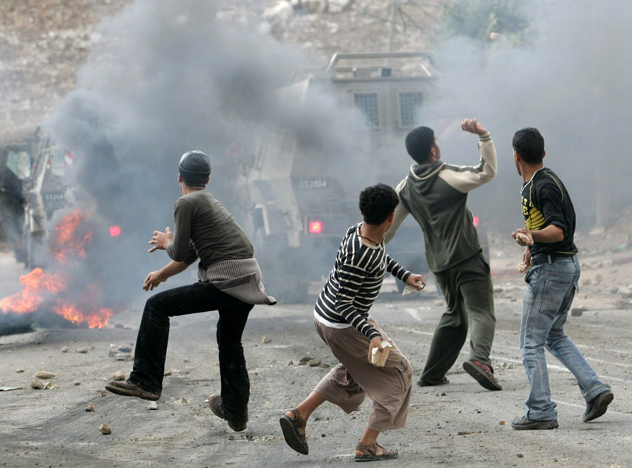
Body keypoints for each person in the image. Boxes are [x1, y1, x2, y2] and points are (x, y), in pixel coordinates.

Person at [106, 150, 276, 432]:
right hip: (247, 277)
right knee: (230, 342)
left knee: (157, 307)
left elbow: (180, 250)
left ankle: (145, 381)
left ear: (179, 177)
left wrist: (166, 241)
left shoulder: (186, 202)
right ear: (207, 178)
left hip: (227, 280)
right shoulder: (208, 201)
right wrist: (161, 274)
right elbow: (191, 256)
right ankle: (235, 412)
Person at [279, 184, 425, 462]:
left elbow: (380, 257)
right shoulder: (361, 254)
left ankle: (299, 415)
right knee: (399, 371)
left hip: (328, 317)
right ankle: (368, 444)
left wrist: (404, 274)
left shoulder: (360, 230)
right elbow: (344, 303)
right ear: (391, 217)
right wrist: (372, 334)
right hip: (342, 325)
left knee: (355, 370)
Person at [384, 118, 501, 391]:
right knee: (481, 311)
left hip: (439, 263)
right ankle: (481, 361)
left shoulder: (405, 188)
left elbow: (389, 226)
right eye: (437, 141)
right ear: (433, 151)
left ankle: (433, 374)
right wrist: (484, 138)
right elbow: (486, 172)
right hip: (466, 255)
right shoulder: (446, 175)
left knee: (455, 314)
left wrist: (368, 245)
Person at [509, 127, 613, 430]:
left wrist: (531, 235)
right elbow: (546, 232)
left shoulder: (544, 186)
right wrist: (531, 249)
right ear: (542, 152)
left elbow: (559, 230)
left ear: (515, 155)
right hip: (560, 266)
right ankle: (595, 391)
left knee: (530, 343)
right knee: (553, 335)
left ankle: (540, 410)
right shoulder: (531, 185)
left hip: (554, 270)